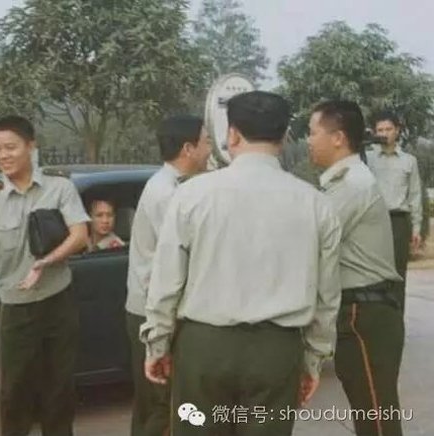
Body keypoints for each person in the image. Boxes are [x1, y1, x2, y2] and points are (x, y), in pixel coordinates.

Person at [141, 91, 342, 436]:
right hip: (275, 353)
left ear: (232, 134)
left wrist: (157, 343)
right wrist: (313, 359)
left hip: (203, 349)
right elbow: (327, 298)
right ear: (283, 137)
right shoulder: (317, 205)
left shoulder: (191, 196)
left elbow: (166, 280)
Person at [0, 115, 89, 436]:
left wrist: (44, 262)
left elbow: (80, 235)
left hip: (58, 302)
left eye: (10, 147)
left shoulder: (59, 187)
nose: (2, 155)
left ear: (31, 146)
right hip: (16, 307)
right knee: (14, 393)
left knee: (59, 390)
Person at [309, 101, 405, 436]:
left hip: (364, 314)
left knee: (376, 421)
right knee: (373, 417)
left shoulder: (352, 185)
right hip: (361, 311)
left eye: (313, 132)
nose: (309, 140)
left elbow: (312, 240)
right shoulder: (343, 182)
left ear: (337, 138)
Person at [126, 114, 211, 436]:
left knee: (153, 404)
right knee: (164, 405)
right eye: (206, 142)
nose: (210, 149)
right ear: (188, 148)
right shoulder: (167, 193)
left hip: (154, 308)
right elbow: (180, 258)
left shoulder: (174, 186)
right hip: (154, 312)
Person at [366, 112, 422, 312]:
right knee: (373, 273)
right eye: (380, 130)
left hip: (398, 221)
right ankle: (376, 320)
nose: (384, 133)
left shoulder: (409, 161)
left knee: (398, 274)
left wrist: (416, 228)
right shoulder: (367, 158)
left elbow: (415, 195)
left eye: (388, 129)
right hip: (373, 221)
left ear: (397, 130)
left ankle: (397, 320)